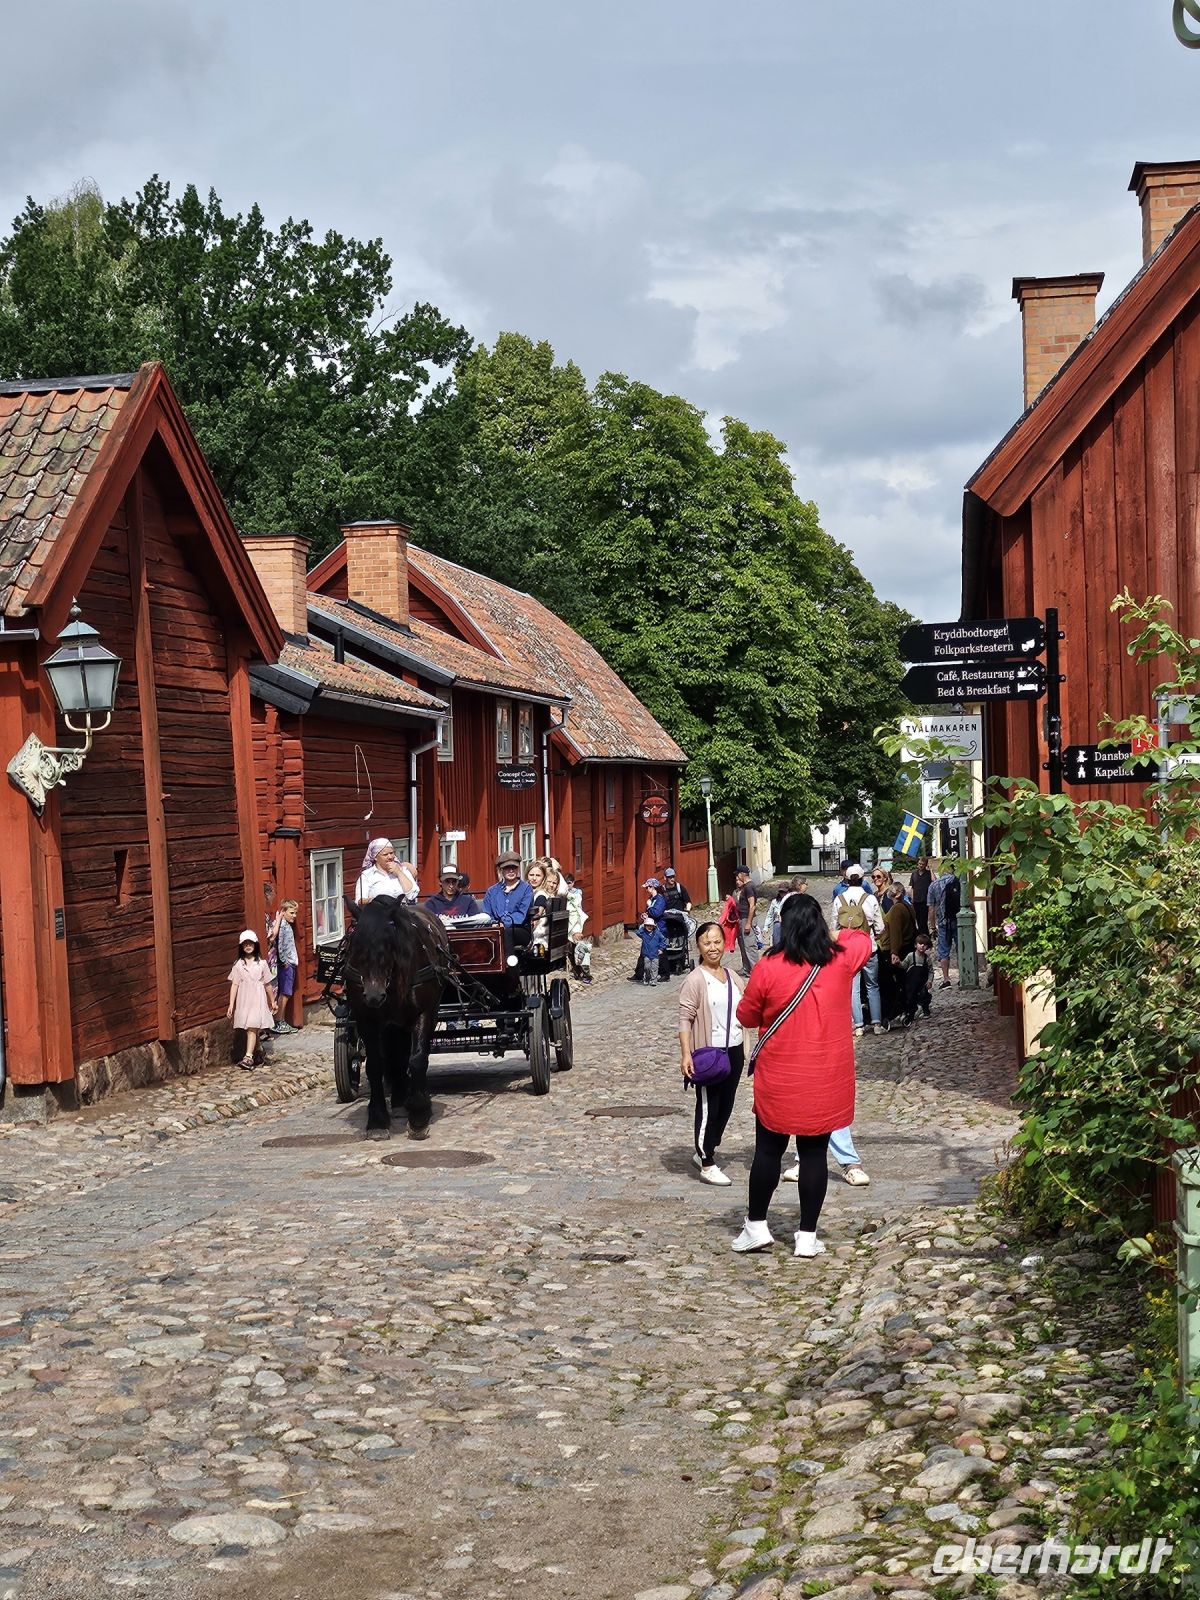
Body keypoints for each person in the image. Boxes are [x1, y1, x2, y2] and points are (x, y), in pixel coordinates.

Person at [732, 895, 872, 1257]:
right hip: (826, 1076)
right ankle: (807, 1237)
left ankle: (757, 1226)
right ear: (819, 926)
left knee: (768, 1151)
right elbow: (862, 939)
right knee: (814, 1155)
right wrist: (834, 933)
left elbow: (746, 1017)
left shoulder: (769, 966)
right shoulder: (840, 960)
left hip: (781, 1076)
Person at [678, 922, 750, 1186]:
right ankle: (706, 1160)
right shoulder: (695, 980)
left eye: (717, 941)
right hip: (709, 1053)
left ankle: (708, 1147)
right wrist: (686, 1054)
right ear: (698, 945)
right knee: (709, 1106)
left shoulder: (733, 976)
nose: (713, 948)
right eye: (707, 943)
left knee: (727, 1104)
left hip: (734, 1050)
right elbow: (685, 1019)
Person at [835, 864, 885, 1036]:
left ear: (847, 880)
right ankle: (877, 1023)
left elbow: (834, 926)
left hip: (848, 950)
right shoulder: (870, 899)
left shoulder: (839, 899)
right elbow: (880, 927)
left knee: (853, 988)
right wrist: (875, 935)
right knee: (873, 986)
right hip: (868, 948)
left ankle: (858, 1026)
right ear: (863, 879)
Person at [228, 930, 275, 1071]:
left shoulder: (261, 964)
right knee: (249, 1027)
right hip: (244, 1000)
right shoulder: (238, 965)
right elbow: (234, 985)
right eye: (245, 944)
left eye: (250, 943)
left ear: (255, 945)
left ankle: (248, 1057)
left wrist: (272, 1001)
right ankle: (258, 1051)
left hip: (257, 999)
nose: (248, 946)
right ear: (241, 947)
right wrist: (231, 1004)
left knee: (252, 1027)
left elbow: (267, 984)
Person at [880, 886, 917, 1027]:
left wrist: (894, 952)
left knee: (894, 983)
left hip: (898, 950)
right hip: (907, 947)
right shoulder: (908, 906)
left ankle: (895, 1010)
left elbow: (896, 933)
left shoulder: (896, 909)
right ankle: (907, 1008)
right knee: (904, 980)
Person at [927, 861, 961, 988]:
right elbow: (966, 899)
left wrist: (932, 926)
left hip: (942, 923)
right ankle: (963, 977)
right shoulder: (959, 881)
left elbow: (931, 909)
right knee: (960, 949)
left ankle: (946, 980)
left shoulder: (933, 885)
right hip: (958, 920)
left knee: (943, 951)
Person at [356, 838, 420, 904]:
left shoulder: (403, 870)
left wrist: (399, 873)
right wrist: (374, 901)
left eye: (391, 853)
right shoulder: (366, 876)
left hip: (403, 911)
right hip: (379, 912)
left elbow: (412, 895)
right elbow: (359, 901)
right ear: (375, 857)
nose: (390, 857)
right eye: (385, 854)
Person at [483, 850, 532, 926]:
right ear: (501, 870)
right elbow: (487, 913)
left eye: (514, 867)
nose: (511, 871)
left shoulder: (526, 889)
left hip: (518, 927)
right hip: (495, 928)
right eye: (507, 868)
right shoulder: (492, 891)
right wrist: (493, 923)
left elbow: (521, 913)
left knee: (508, 933)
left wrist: (504, 923)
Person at [273, 900, 300, 1033]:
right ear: (283, 912)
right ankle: (279, 1021)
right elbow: (279, 945)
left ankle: (280, 1020)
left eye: (295, 913)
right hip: (286, 964)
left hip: (290, 962)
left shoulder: (287, 925)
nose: (294, 915)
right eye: (291, 913)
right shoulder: (283, 926)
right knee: (285, 992)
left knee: (286, 992)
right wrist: (284, 961)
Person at [902, 932, 935, 1024]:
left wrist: (929, 980)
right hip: (911, 982)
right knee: (910, 997)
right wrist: (898, 963)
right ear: (915, 945)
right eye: (920, 944)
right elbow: (904, 966)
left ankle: (925, 1010)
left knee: (924, 995)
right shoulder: (910, 956)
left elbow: (931, 971)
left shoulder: (926, 958)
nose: (922, 946)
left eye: (924, 945)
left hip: (922, 982)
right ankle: (910, 1013)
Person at [765, 876, 807, 949]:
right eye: (781, 892)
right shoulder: (779, 900)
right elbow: (771, 915)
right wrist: (766, 927)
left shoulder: (799, 897)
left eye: (784, 891)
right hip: (781, 925)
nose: (782, 893)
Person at [565, 873, 592, 982]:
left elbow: (576, 903)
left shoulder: (577, 893)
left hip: (576, 923)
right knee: (571, 950)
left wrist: (566, 894)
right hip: (567, 923)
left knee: (580, 949)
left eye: (569, 883)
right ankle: (577, 971)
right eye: (566, 883)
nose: (568, 885)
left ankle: (586, 973)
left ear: (573, 883)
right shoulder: (564, 893)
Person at [734, 867, 758, 978]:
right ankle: (746, 968)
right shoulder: (745, 887)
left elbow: (752, 906)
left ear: (743, 874)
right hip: (741, 918)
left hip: (747, 918)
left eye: (738, 875)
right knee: (743, 944)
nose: (737, 877)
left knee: (749, 945)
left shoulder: (749, 887)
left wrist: (748, 923)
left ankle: (755, 970)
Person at [635, 912, 667, 985]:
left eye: (651, 926)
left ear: (654, 926)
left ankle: (654, 980)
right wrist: (643, 926)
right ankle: (647, 977)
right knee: (647, 967)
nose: (649, 927)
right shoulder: (643, 933)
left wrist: (661, 949)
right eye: (647, 926)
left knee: (654, 968)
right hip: (646, 954)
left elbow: (663, 940)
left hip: (655, 954)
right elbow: (637, 933)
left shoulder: (657, 933)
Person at [910, 855, 934, 936]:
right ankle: (923, 937)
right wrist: (912, 900)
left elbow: (934, 881)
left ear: (925, 865)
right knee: (918, 920)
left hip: (925, 900)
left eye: (922, 864)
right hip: (916, 901)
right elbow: (912, 888)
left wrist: (931, 870)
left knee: (923, 920)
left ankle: (923, 937)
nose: (920, 865)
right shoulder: (914, 874)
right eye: (919, 864)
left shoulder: (928, 874)